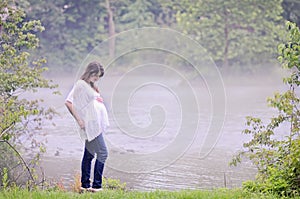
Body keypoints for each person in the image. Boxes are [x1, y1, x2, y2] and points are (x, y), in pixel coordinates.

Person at [65, 61, 109, 193]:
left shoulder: (90, 86)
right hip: (90, 125)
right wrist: (79, 120)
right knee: (103, 153)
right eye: (96, 76)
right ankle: (96, 186)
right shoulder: (80, 85)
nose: (97, 79)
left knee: (89, 154)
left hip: (96, 125)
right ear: (91, 72)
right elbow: (68, 102)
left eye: (99, 77)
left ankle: (85, 185)